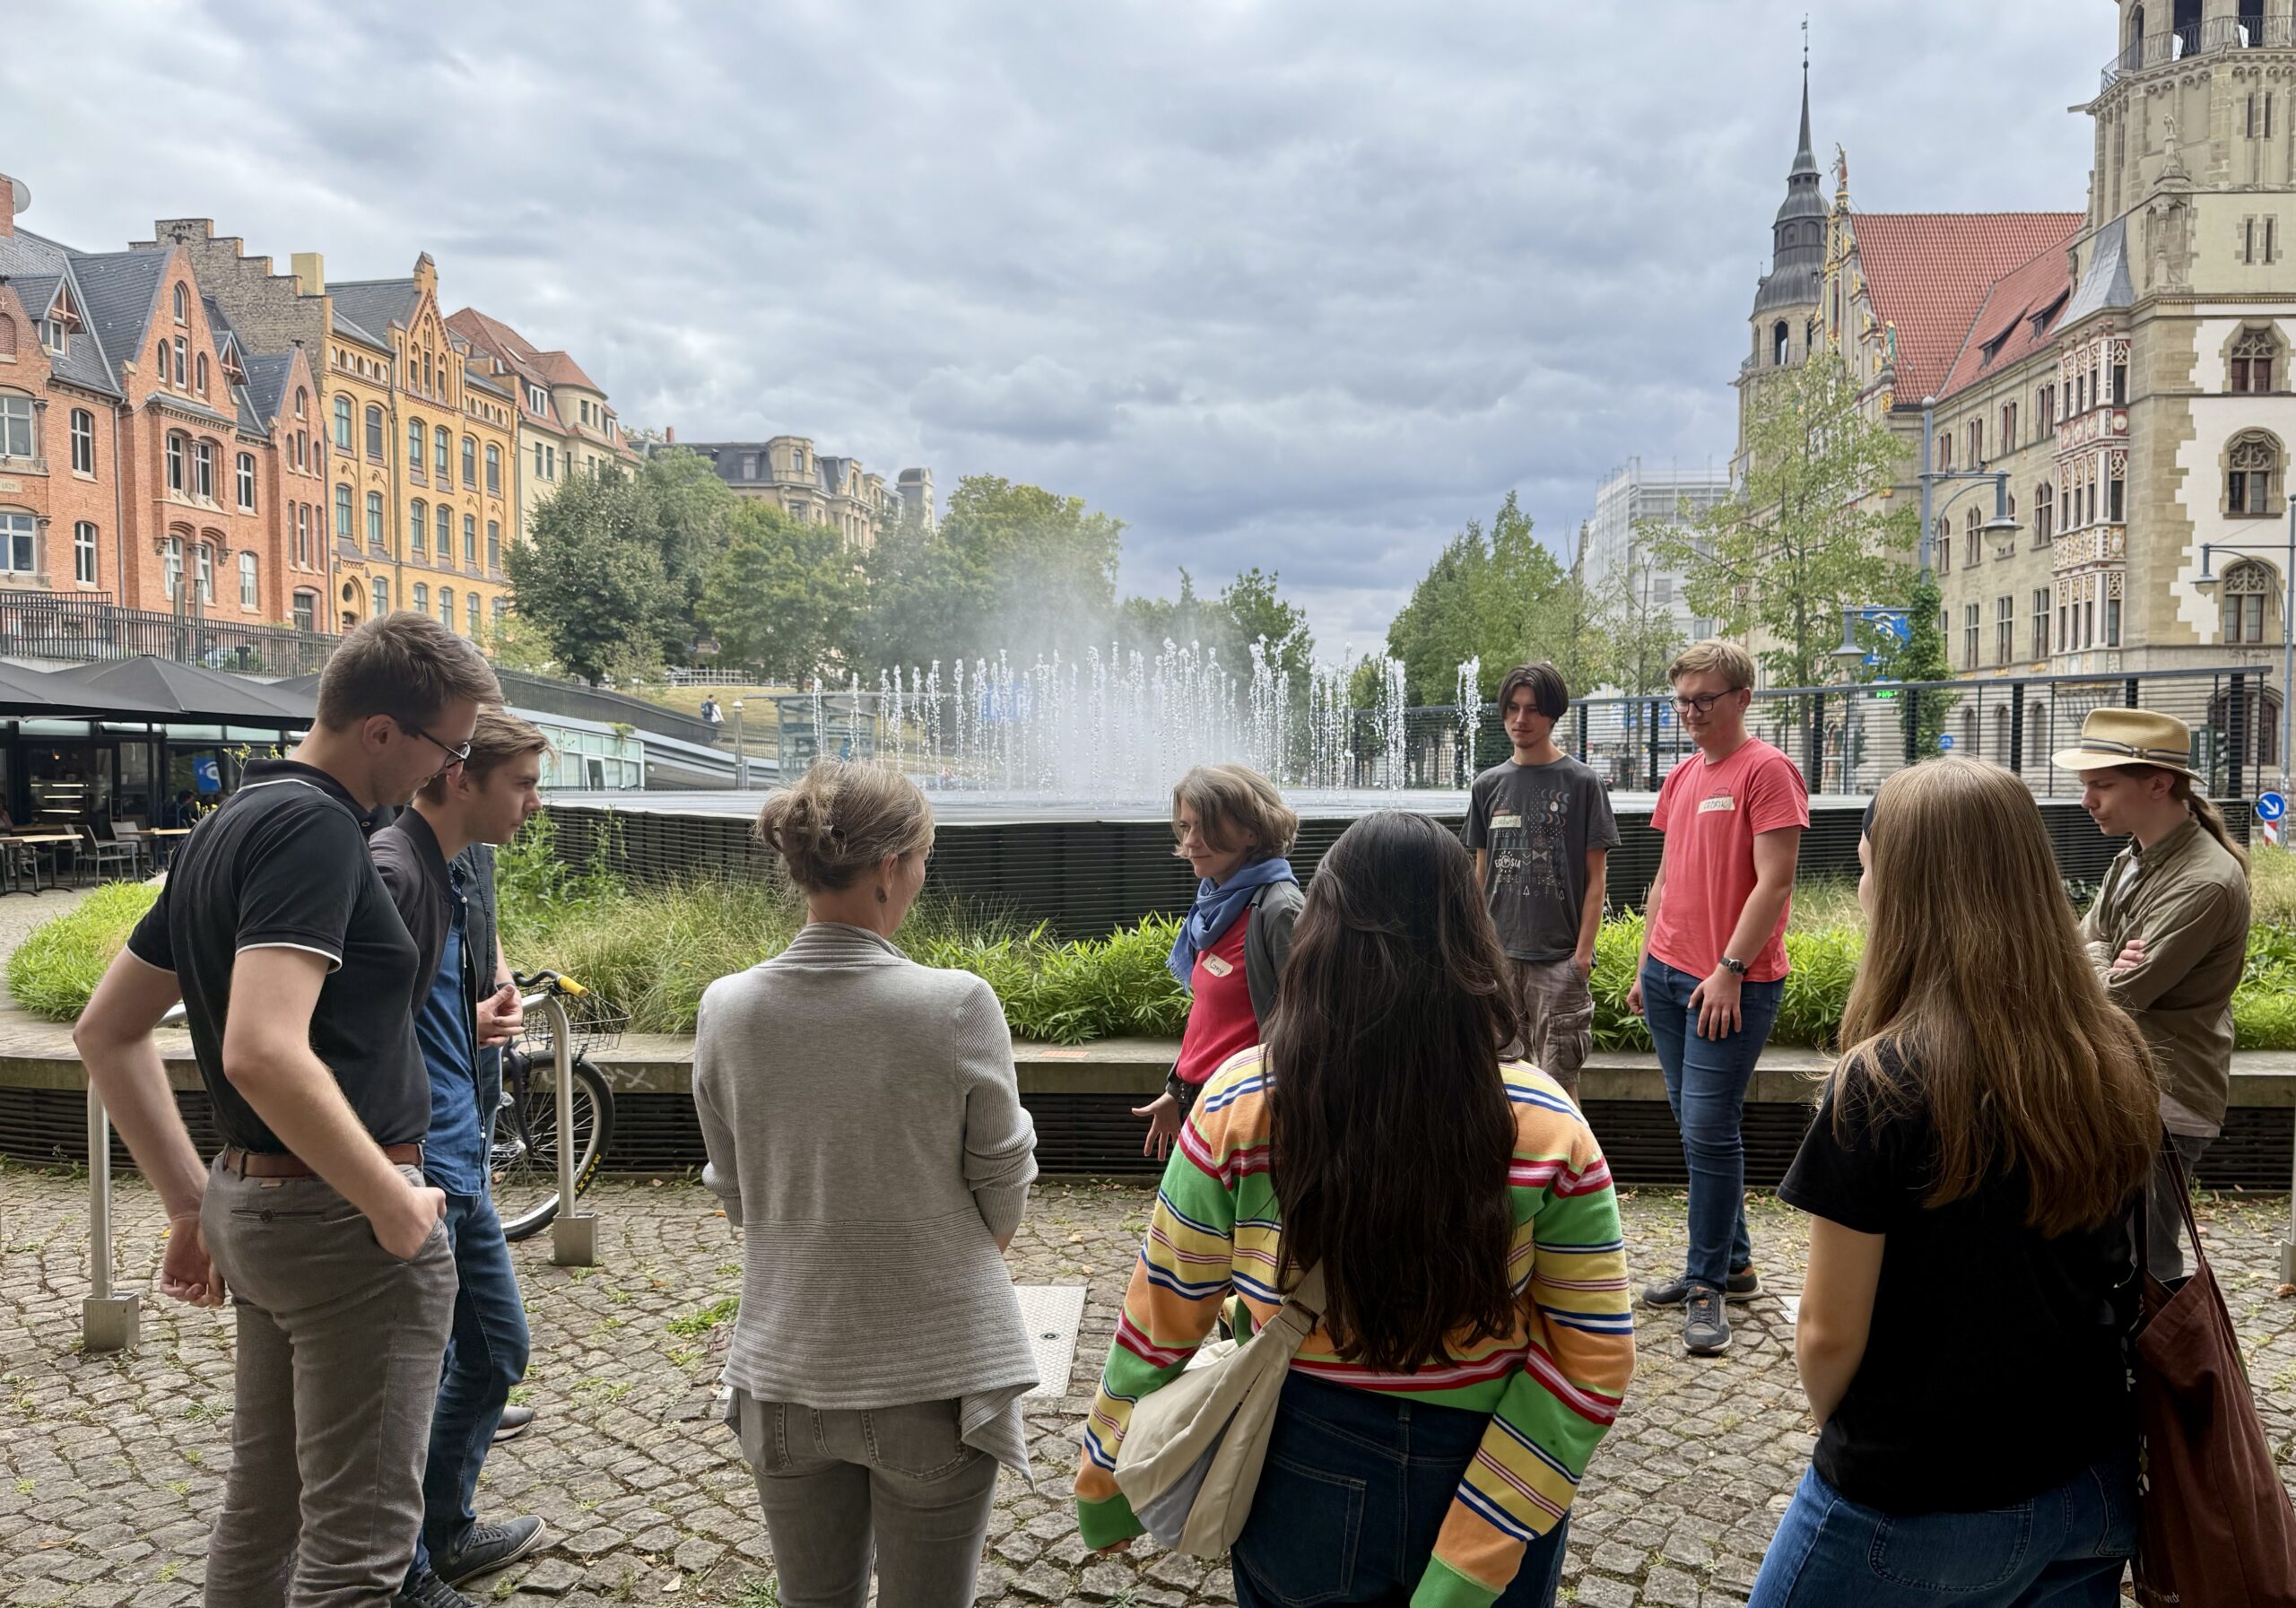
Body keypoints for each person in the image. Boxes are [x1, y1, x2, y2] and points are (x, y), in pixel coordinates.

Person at [1078, 811, 1635, 1607]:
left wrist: (1106, 1472)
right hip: (1491, 1451)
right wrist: (1472, 1558)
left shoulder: (1241, 1101)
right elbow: (1592, 1357)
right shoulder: (1549, 1127)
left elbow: (1165, 1307)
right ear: (1472, 941)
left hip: (1297, 1461)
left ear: (1320, 932)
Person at [70, 612, 499, 1607]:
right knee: (355, 1555)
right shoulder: (316, 827)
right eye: (450, 746)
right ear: (383, 732)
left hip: (263, 1207)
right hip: (344, 1224)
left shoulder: (233, 820)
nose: (452, 767)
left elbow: (106, 1029)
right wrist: (391, 1202)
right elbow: (261, 1047)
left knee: (265, 1517)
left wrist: (193, 1204)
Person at [1747, 757, 2152, 1605]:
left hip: (1918, 1498)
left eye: (1865, 871)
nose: (1861, 892)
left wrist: (1851, 1439)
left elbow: (1827, 1334)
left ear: (1900, 889)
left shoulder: (1881, 1083)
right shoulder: (2108, 1053)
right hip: (2088, 1482)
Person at [691, 761, 1040, 1606]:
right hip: (931, 1378)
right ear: (889, 866)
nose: (920, 874)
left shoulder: (725, 1008)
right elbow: (1002, 1190)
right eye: (922, 855)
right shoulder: (956, 1003)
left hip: (783, 1367)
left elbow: (738, 1195)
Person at [372, 710, 552, 1607]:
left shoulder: (449, 864)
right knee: (440, 1365)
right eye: (519, 782)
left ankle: (441, 1530)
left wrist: (478, 1009)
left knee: (480, 1351)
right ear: (457, 776)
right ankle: (410, 1565)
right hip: (428, 1166)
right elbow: (352, 1030)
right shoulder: (396, 870)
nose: (534, 800)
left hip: (455, 1150)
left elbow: (423, 994)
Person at [1629, 639, 1806, 1356]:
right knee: (1693, 1122)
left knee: (1708, 1126)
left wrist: (1731, 966)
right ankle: (1734, 1264)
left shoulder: (1769, 771)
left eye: (1705, 698)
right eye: (1682, 700)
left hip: (1732, 982)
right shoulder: (1681, 776)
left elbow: (1777, 880)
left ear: (1742, 698)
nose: (1692, 712)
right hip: (1671, 975)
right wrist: (1646, 963)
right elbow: (1668, 878)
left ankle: (1705, 1281)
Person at [2052, 708, 2252, 1285]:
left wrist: (2096, 966)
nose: (2087, 800)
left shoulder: (2203, 881)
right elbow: (2074, 950)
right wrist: (2099, 960)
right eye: (2087, 785)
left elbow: (2117, 995)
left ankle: (2159, 1373)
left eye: (2102, 784)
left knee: (2144, 1257)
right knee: (2107, 1247)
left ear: (2159, 784)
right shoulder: (2136, 857)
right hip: (2126, 1082)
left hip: (2164, 1097)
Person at [1464, 662, 1621, 1105]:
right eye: (1512, 708)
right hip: (1497, 959)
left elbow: (1597, 877)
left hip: (1558, 961)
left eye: (1532, 710)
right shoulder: (1487, 785)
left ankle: (1565, 1171)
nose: (1520, 719)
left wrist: (1582, 956)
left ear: (1553, 715)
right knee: (1499, 1079)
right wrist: (1475, 947)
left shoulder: (1583, 783)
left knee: (1559, 1083)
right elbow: (1480, 874)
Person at [1133, 763, 1304, 1160]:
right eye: (1185, 826)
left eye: (1205, 827)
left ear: (1252, 831)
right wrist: (1177, 1090)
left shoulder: (1279, 912)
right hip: (1203, 1102)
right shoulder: (1215, 902)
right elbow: (1212, 1017)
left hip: (1245, 1114)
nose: (1190, 841)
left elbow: (1305, 1026)